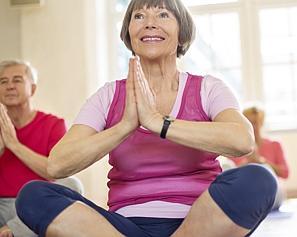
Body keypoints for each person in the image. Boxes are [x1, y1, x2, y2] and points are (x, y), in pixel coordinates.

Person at [16, 1, 277, 237]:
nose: (150, 22)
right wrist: (124, 127)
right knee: (33, 196)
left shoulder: (208, 88)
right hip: (123, 227)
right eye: (139, 16)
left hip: (202, 220)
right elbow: (57, 164)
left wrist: (158, 123)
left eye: (163, 14)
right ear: (129, 33)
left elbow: (242, 140)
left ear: (181, 31)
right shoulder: (108, 95)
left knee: (259, 179)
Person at [0, 60, 83, 237]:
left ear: (33, 89)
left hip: (38, 204)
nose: (9, 86)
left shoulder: (54, 124)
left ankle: (13, 230)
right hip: (1, 205)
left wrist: (13, 145)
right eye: (3, 82)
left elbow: (54, 172)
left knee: (72, 184)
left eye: (17, 80)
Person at [231, 105, 290, 210]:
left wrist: (261, 161)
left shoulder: (274, 145)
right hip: (246, 193)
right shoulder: (236, 148)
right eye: (249, 123)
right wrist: (247, 162)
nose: (252, 127)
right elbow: (229, 176)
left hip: (271, 192)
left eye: (255, 122)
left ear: (261, 123)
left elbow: (285, 173)